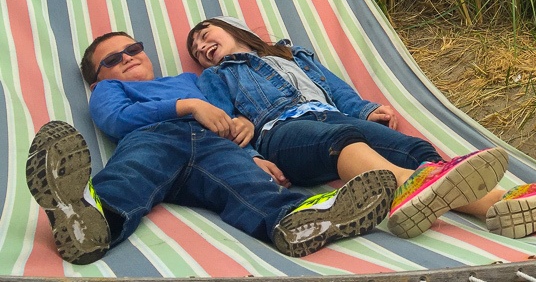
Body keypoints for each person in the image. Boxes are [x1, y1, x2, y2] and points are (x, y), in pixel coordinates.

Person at [189, 17, 536, 240]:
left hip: (338, 117)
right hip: (282, 135)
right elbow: (223, 126)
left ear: (231, 26)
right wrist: (251, 157)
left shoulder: (293, 53)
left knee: (415, 149)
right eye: (197, 50)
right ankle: (437, 191)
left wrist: (365, 109)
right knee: (339, 140)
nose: (203, 47)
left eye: (207, 35)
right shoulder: (215, 78)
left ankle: (511, 207)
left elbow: (336, 90)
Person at [25, 31, 397, 265]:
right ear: (97, 79)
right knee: (131, 174)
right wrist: (187, 106)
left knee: (249, 187)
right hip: (155, 136)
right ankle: (89, 222)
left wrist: (249, 141)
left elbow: (229, 112)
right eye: (112, 59)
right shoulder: (109, 91)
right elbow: (115, 120)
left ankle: (297, 222)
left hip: (215, 146)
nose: (126, 57)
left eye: (132, 48)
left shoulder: (191, 79)